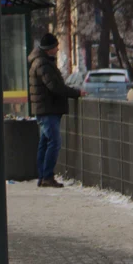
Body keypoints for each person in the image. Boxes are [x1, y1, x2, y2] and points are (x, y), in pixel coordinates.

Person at [28, 32, 84, 188]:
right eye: (56, 46)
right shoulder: (43, 64)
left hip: (44, 108)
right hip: (48, 109)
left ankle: (43, 176)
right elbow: (55, 87)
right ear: (49, 48)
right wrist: (76, 93)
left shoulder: (40, 62)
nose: (58, 49)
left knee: (45, 143)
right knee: (54, 142)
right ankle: (47, 176)